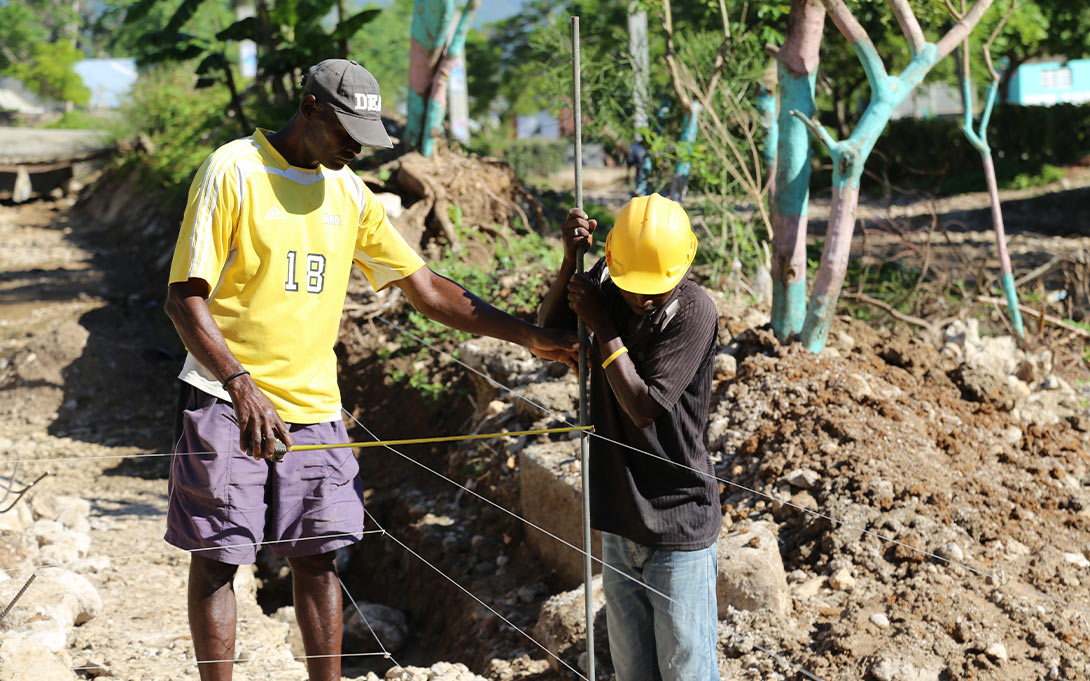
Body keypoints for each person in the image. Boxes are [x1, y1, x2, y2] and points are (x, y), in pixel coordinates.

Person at [163, 58, 576, 681]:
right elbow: (184, 297)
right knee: (222, 559)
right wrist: (239, 383)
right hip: (226, 400)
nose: (356, 148)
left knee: (319, 557)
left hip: (315, 407)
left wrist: (530, 338)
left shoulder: (347, 191)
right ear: (309, 109)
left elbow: (428, 290)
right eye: (345, 133)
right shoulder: (234, 171)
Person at [539, 193, 722, 681]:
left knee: (686, 673)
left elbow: (643, 406)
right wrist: (568, 264)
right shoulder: (606, 282)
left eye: (653, 291)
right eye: (631, 287)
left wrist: (603, 326)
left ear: (684, 265)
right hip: (621, 520)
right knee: (633, 671)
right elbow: (548, 333)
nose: (641, 300)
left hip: (677, 524)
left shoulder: (693, 312)